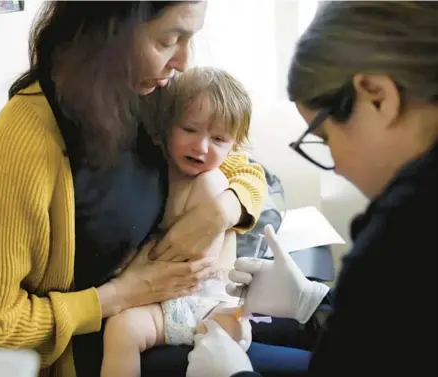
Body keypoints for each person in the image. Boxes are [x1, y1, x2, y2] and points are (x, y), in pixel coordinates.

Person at [0, 2, 268, 377]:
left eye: (189, 39)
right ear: (108, 31)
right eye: (168, 40)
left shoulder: (153, 95)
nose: (182, 61)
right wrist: (121, 295)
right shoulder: (30, 138)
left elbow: (246, 168)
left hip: (176, 314)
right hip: (104, 350)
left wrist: (219, 213)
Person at [186, 1, 438, 376]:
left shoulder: (404, 230)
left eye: (324, 137)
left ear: (377, 96)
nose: (335, 162)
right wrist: (315, 301)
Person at [101, 67, 255, 377]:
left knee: (236, 329)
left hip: (200, 300)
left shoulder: (210, 185)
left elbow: (194, 259)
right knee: (121, 332)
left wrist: (129, 268)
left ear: (234, 147)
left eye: (218, 139)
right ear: (165, 128)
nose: (201, 147)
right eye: (189, 130)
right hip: (164, 301)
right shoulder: (154, 170)